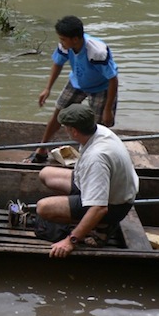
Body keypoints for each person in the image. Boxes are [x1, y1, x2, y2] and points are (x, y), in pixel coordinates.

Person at [36, 104, 138, 258]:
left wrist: (71, 241)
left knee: (43, 208)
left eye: (66, 127)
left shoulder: (96, 159)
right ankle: (83, 217)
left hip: (113, 206)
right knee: (46, 174)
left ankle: (103, 226)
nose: (65, 130)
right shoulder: (99, 131)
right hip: (108, 187)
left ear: (74, 131)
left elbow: (100, 208)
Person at [25, 15, 118, 163]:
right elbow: (58, 64)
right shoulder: (65, 46)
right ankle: (42, 148)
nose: (61, 42)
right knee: (59, 111)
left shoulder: (97, 52)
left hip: (101, 87)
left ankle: (96, 158)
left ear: (75, 39)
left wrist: (108, 109)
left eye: (63, 39)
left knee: (99, 126)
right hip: (77, 82)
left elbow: (113, 79)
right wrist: (47, 88)